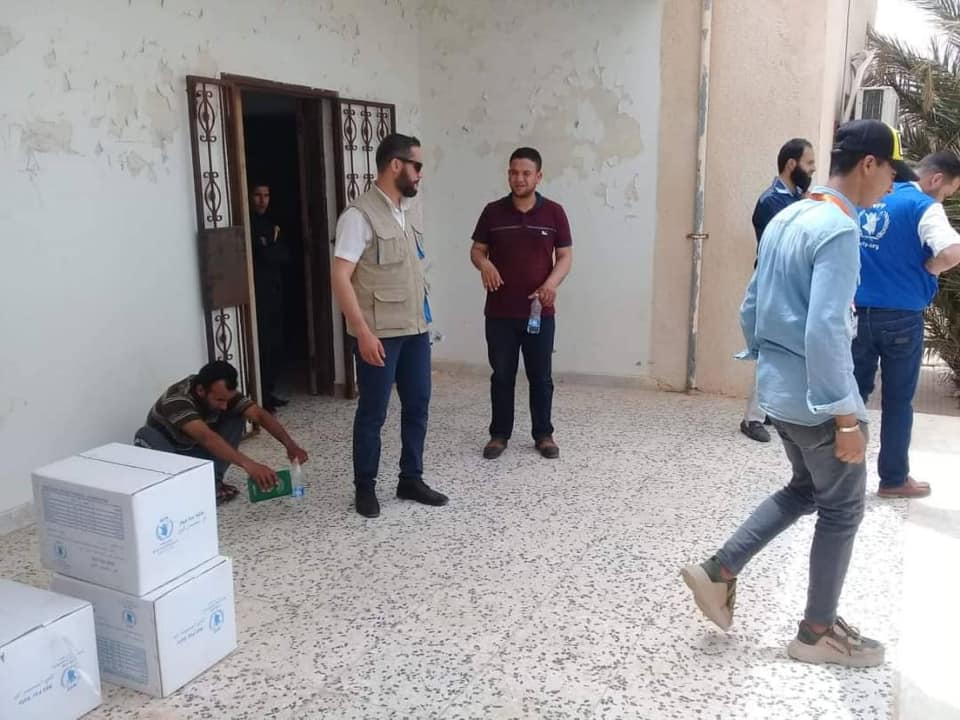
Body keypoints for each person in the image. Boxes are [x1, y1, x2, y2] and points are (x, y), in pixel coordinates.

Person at [682, 120, 911, 667]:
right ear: (869, 164)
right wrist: (845, 418)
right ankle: (817, 632)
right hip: (818, 399)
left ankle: (719, 570)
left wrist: (767, 364)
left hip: (778, 391)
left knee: (806, 489)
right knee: (842, 511)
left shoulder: (788, 216)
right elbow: (826, 328)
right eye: (890, 174)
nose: (890, 186)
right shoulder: (838, 229)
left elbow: (751, 303)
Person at [331, 133, 448, 518]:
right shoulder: (358, 216)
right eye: (417, 166)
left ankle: (410, 478)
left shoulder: (404, 212)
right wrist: (362, 332)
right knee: (373, 412)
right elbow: (340, 277)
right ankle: (365, 487)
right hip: (379, 334)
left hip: (415, 330)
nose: (420, 174)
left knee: (418, 406)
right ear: (396, 165)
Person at [853, 150, 960, 499]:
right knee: (898, 402)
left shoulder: (874, 195)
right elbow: (952, 251)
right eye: (947, 193)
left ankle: (841, 479)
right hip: (901, 317)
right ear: (936, 179)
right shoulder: (923, 205)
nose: (943, 199)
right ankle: (893, 479)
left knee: (852, 397)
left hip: (856, 312)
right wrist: (930, 267)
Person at [470, 147, 573, 460]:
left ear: (538, 176)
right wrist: (484, 264)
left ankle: (544, 434)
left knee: (541, 376)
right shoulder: (493, 212)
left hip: (540, 312)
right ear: (508, 174)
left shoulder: (554, 212)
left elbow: (565, 256)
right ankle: (499, 434)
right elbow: (477, 250)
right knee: (502, 375)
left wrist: (550, 285)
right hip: (500, 313)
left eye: (526, 173)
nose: (519, 178)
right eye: (514, 172)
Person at [134, 360, 308, 504]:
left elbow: (259, 415)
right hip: (169, 453)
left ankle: (213, 482)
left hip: (193, 449)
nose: (224, 405)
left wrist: (290, 446)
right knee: (146, 434)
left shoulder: (223, 394)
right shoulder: (176, 400)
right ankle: (176, 491)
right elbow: (206, 437)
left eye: (227, 400)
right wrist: (250, 465)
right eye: (219, 400)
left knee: (236, 416)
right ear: (201, 390)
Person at [741, 138, 816, 443]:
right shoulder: (772, 201)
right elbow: (789, 242)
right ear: (791, 165)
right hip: (773, 284)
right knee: (771, 348)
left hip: (789, 284)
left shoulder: (795, 199)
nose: (812, 170)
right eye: (809, 164)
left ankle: (771, 409)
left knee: (786, 348)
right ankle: (752, 418)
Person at [250, 182, 290, 413]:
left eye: (266, 195)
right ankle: (259, 395)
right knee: (262, 343)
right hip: (258, 292)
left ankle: (268, 391)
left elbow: (283, 255)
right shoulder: (250, 224)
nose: (262, 200)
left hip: (274, 290)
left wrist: (271, 246)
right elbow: (262, 255)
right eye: (258, 195)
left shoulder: (272, 223)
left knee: (275, 343)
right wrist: (271, 246)